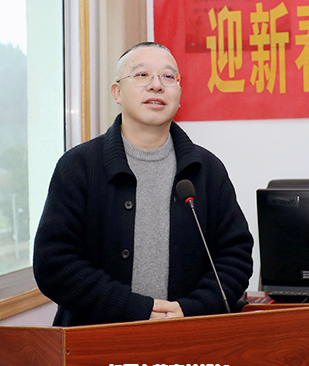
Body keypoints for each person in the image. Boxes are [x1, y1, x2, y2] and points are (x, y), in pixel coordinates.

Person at [33, 41, 253, 326]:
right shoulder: (79, 166)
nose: (156, 85)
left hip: (188, 337)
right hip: (96, 340)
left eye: (168, 76)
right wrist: (135, 309)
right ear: (117, 92)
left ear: (179, 94)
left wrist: (191, 309)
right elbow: (54, 264)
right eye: (141, 75)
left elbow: (235, 257)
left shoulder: (207, 169)